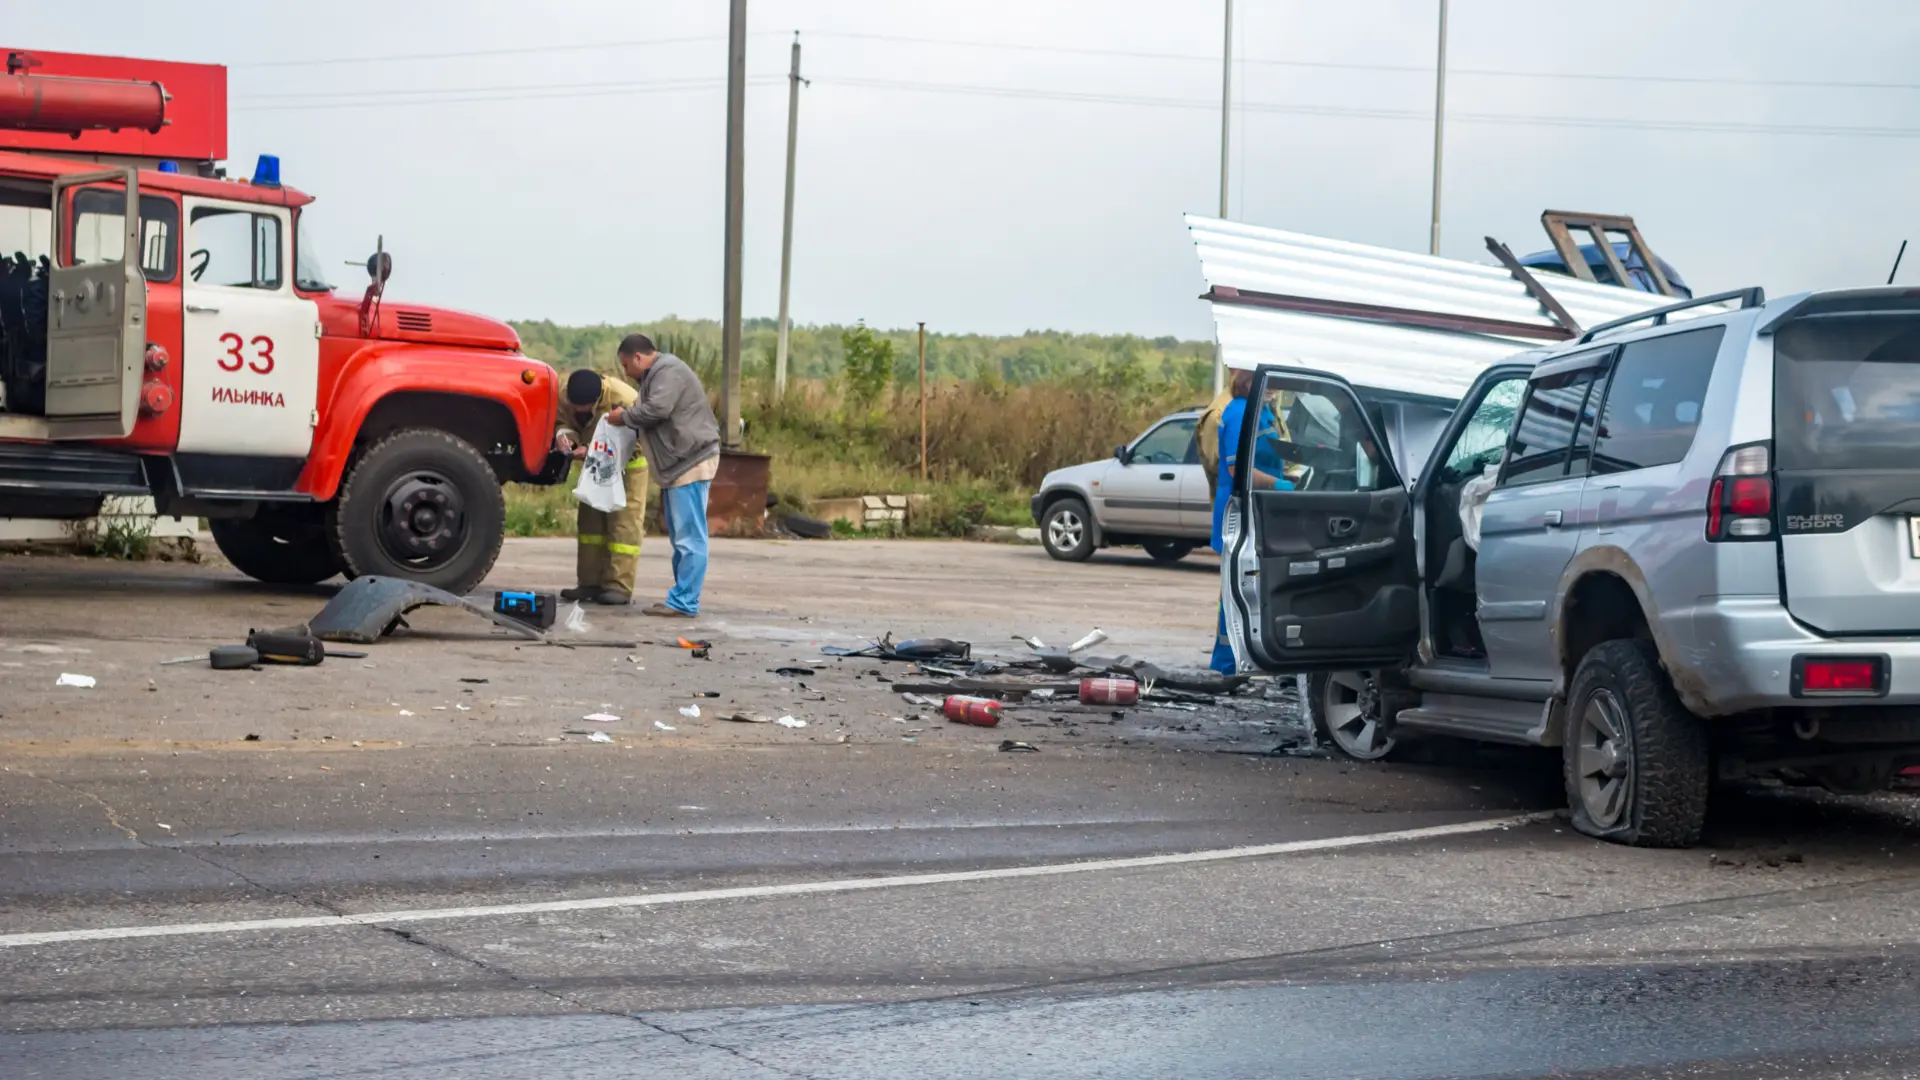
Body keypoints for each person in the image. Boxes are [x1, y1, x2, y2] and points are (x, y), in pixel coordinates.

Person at [608, 333, 721, 618]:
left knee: (690, 536)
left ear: (638, 357)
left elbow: (658, 409)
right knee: (681, 535)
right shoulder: (655, 376)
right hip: (679, 464)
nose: (625, 372)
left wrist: (624, 417)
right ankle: (680, 598)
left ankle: (685, 602)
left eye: (625, 364)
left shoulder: (667, 371)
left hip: (690, 461)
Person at [1209, 369, 1294, 674]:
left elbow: (1267, 459)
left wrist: (1289, 477)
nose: (1276, 389)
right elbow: (1238, 470)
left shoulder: (1263, 413)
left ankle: (1248, 659)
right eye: (1271, 383)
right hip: (1239, 511)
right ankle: (1225, 664)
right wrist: (1278, 485)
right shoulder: (1238, 413)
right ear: (1249, 381)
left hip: (1260, 508)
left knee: (1253, 586)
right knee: (1235, 589)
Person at [555, 369, 647, 605]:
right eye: (575, 406)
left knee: (623, 526)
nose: (578, 411)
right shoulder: (564, 396)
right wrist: (566, 438)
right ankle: (589, 583)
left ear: (597, 400)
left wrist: (592, 448)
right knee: (590, 525)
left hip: (628, 464)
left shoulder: (625, 398)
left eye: (584, 407)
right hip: (594, 465)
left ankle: (619, 586)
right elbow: (563, 422)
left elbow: (639, 433)